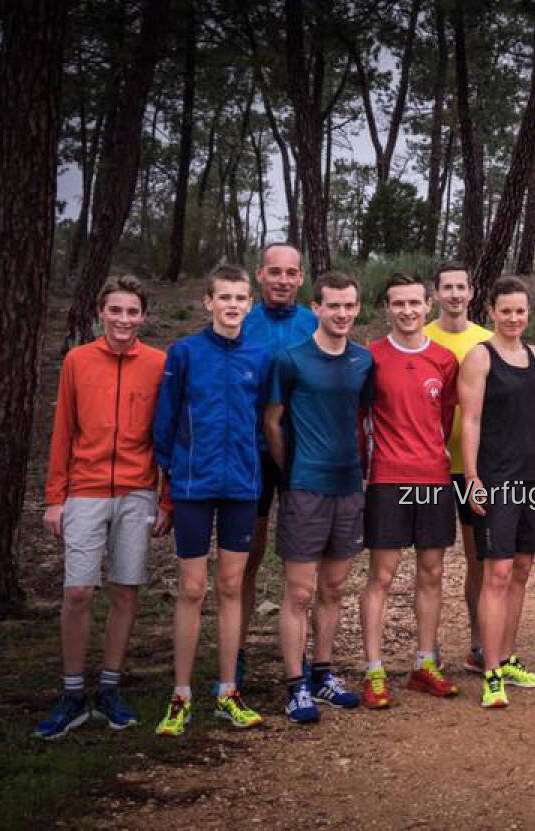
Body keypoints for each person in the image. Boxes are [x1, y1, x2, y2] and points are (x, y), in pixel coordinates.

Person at [35, 276, 169, 740]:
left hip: (137, 491)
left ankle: (110, 687)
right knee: (77, 592)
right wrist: (55, 498)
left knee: (125, 590)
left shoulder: (157, 363)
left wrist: (164, 496)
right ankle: (73, 694)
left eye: (133, 312)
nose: (124, 320)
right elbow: (62, 432)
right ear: (101, 313)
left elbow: (165, 436)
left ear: (143, 317)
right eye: (116, 310)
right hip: (85, 490)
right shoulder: (77, 361)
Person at [152, 265, 273, 736]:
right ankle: (180, 696)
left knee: (230, 586)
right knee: (191, 588)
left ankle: (227, 692)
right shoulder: (183, 353)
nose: (233, 305)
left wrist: (257, 465)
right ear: (207, 302)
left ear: (249, 304)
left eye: (241, 298)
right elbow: (164, 424)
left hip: (242, 485)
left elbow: (267, 420)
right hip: (191, 486)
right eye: (224, 297)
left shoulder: (260, 357)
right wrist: (165, 488)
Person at [264, 271, 374, 724]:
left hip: (348, 486)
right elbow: (273, 421)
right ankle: (295, 685)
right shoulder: (290, 359)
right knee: (300, 590)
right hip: (305, 486)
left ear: (358, 309)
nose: (342, 313)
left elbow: (364, 420)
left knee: (334, 587)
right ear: (316, 307)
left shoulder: (364, 361)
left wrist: (364, 476)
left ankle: (323, 673)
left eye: (350, 306)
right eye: (334, 306)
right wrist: (291, 472)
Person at [458, 276, 535, 709]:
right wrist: (472, 477)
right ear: (491, 311)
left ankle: (508, 658)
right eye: (506, 311)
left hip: (533, 477)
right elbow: (471, 421)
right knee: (496, 573)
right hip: (496, 478)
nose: (514, 318)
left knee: (521, 568)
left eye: (520, 311)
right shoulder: (479, 358)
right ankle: (491, 670)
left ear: (528, 313)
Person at [359, 273, 461, 709]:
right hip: (386, 478)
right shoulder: (371, 358)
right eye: (398, 303)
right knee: (381, 576)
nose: (407, 311)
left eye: (415, 303)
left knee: (431, 573)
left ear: (428, 304)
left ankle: (424, 663)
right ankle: (375, 670)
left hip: (433, 478)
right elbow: (360, 417)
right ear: (387, 307)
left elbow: (446, 416)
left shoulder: (443, 359)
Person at [239, 243, 318, 688]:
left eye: (291, 273)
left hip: (303, 455)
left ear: (301, 277)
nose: (283, 280)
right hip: (249, 456)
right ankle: (239, 649)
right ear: (259, 275)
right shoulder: (242, 322)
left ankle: (299, 653)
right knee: (247, 557)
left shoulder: (313, 323)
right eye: (275, 272)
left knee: (301, 562)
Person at [422, 262, 492, 673]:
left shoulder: (487, 339)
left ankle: (479, 642)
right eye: (445, 287)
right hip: (429, 465)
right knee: (431, 562)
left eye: (459, 287)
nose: (453, 294)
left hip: (474, 466)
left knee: (477, 557)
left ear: (471, 292)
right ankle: (426, 652)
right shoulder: (421, 336)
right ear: (436, 294)